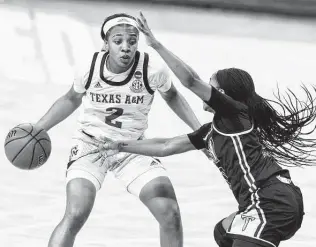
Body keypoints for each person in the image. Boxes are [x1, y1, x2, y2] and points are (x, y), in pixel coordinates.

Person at [94, 12, 316, 247]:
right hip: (267, 201)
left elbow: (190, 81)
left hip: (271, 201)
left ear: (223, 95)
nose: (205, 87)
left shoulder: (234, 114)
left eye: (211, 86)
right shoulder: (212, 131)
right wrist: (119, 145)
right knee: (223, 233)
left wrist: (156, 45)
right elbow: (166, 146)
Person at [36, 13, 204, 247]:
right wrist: (38, 128)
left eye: (132, 41)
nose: (126, 47)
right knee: (75, 214)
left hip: (133, 148)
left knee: (170, 212)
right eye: (118, 41)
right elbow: (71, 98)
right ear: (105, 43)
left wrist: (200, 132)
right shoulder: (89, 66)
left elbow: (173, 96)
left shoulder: (152, 68)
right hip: (91, 146)